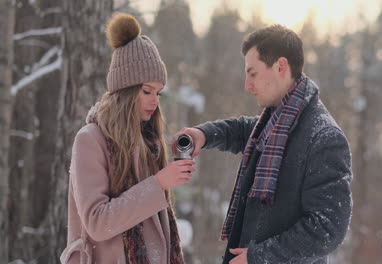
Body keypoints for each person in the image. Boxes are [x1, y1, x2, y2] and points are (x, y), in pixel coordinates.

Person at [172, 25, 353, 264]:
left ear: (280, 66)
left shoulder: (324, 138)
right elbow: (243, 130)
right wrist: (203, 134)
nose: (247, 85)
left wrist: (259, 256)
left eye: (253, 73)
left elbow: (328, 229)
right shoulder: (278, 121)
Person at [60, 13, 194, 264]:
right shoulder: (90, 140)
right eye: (146, 91)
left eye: (159, 93)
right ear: (125, 91)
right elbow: (98, 222)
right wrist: (159, 183)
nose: (155, 101)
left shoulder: (149, 144)